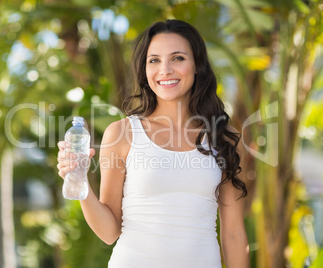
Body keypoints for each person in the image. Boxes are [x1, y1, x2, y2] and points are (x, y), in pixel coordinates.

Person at [57, 19, 250, 268]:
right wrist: (79, 181)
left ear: (197, 65)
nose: (165, 69)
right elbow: (109, 232)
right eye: (154, 60)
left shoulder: (223, 139)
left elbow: (234, 234)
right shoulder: (122, 134)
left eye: (178, 58)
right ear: (144, 71)